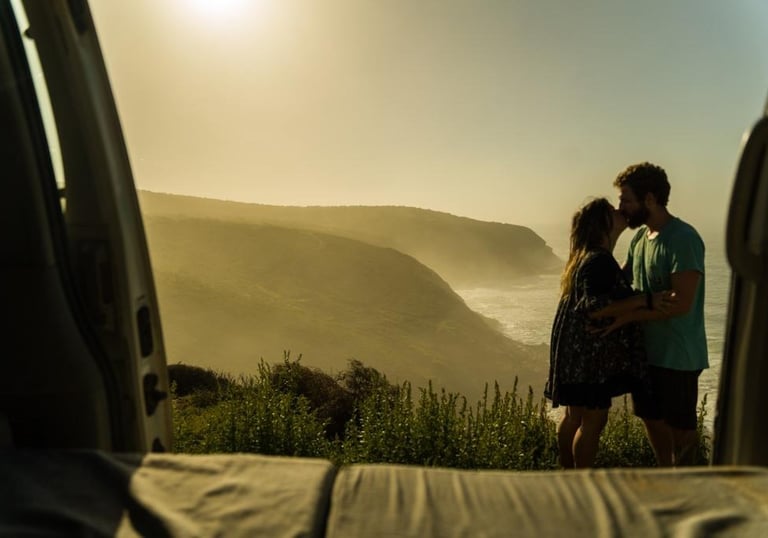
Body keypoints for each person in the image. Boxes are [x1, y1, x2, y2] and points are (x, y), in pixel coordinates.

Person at [596, 162, 708, 467]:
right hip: (647, 353)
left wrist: (630, 315)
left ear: (649, 199)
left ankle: (697, 494)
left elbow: (680, 304)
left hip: (677, 355)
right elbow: (621, 286)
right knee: (651, 420)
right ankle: (669, 483)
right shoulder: (639, 239)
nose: (621, 208)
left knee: (682, 432)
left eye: (626, 200)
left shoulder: (683, 238)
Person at [545, 197, 668, 468]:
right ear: (602, 225)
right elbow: (595, 307)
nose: (619, 210)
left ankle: (566, 474)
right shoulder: (599, 261)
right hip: (589, 355)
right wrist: (644, 300)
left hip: (573, 351)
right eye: (611, 210)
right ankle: (581, 483)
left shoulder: (586, 257)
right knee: (593, 420)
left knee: (574, 416)